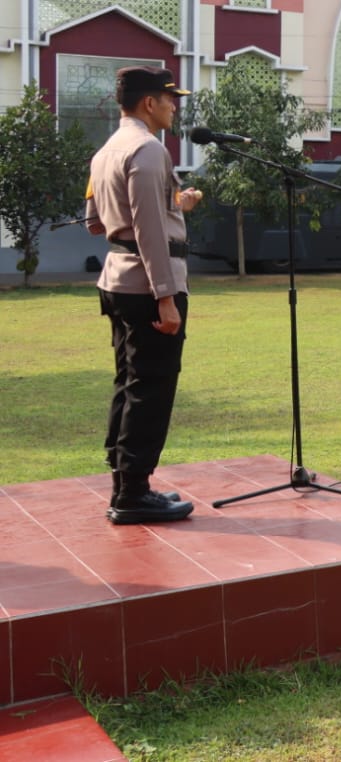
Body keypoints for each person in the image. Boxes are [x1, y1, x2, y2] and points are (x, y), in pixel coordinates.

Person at [84, 66, 201, 525]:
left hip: (117, 279)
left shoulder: (106, 150)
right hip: (149, 284)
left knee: (129, 384)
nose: (175, 106)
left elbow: (96, 220)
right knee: (151, 388)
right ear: (149, 103)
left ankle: (126, 483)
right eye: (169, 98)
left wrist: (174, 204)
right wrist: (166, 296)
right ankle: (133, 494)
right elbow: (150, 231)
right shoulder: (149, 150)